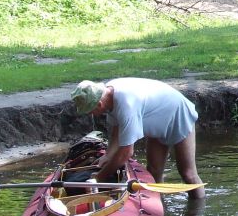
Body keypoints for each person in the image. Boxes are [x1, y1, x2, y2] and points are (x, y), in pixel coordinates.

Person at [71, 78, 204, 199]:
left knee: (188, 174)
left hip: (178, 115)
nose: (90, 115)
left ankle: (197, 213)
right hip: (158, 121)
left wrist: (98, 178)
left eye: (90, 111)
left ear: (99, 104)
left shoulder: (126, 105)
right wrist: (108, 156)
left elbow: (126, 153)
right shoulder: (108, 95)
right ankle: (160, 211)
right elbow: (117, 130)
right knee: (154, 172)